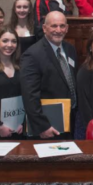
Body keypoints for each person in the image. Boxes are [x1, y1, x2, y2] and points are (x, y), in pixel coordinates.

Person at [21, 11, 78, 139]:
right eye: (54, 26)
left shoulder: (70, 49)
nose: (58, 30)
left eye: (62, 26)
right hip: (47, 126)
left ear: (67, 28)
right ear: (44, 28)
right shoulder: (32, 55)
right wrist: (42, 126)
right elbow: (30, 95)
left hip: (70, 120)